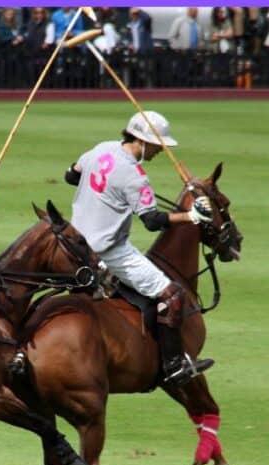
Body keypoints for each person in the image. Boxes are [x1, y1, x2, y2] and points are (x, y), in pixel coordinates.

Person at [63, 112, 215, 386]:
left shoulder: (102, 148)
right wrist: (191, 216)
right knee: (172, 295)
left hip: (73, 246)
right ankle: (173, 366)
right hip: (109, 250)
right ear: (142, 140)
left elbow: (70, 176)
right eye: (158, 145)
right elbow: (152, 221)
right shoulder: (135, 175)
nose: (160, 150)